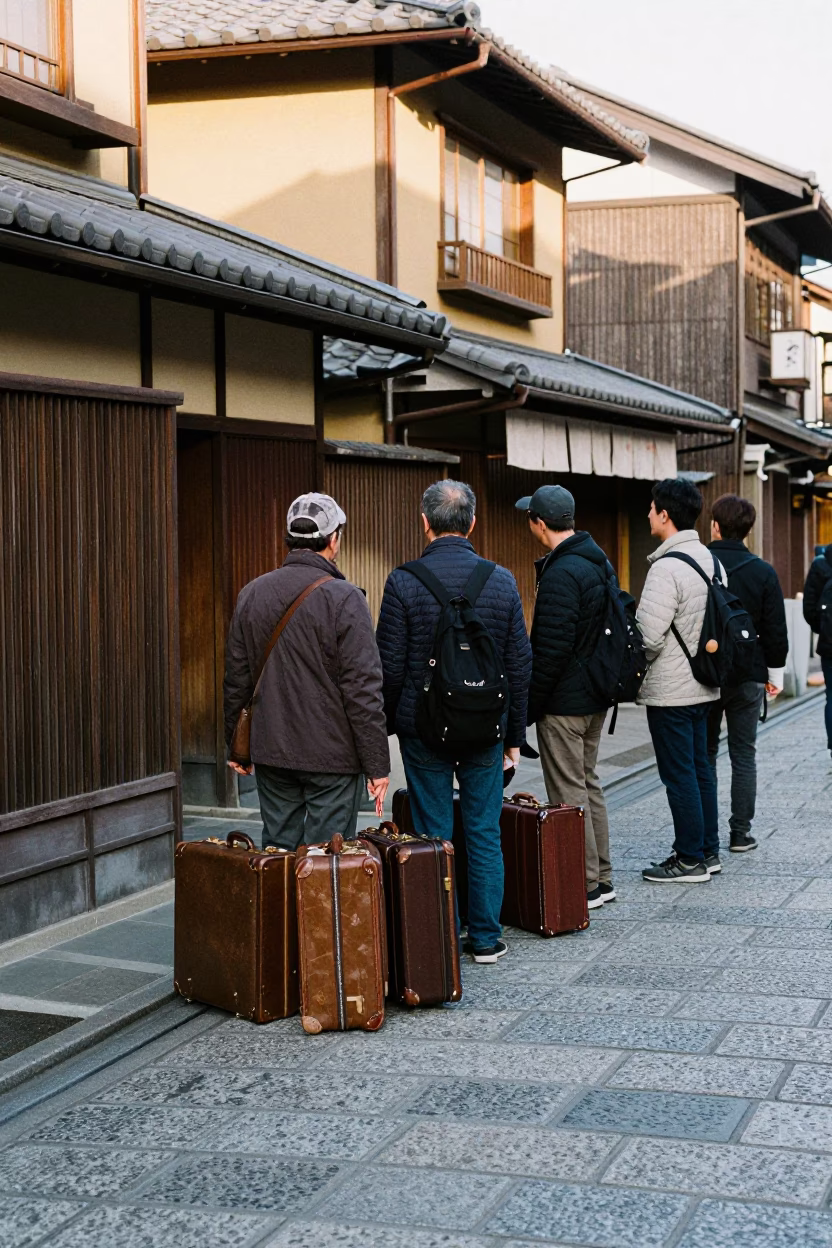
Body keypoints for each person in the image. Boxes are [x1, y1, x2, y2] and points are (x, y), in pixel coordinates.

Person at [376, 480, 532, 964]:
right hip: (485, 726)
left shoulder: (403, 581)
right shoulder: (501, 580)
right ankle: (485, 937)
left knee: (432, 832)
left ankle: (439, 935)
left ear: (424, 523)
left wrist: (386, 730)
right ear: (472, 523)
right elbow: (519, 663)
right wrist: (514, 736)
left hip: (424, 728)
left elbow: (391, 665)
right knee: (483, 830)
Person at [223, 492, 390, 850]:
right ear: (333, 540)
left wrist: (236, 745)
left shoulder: (252, 594)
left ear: (290, 539)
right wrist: (377, 764)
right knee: (327, 859)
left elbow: (237, 677)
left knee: (278, 848)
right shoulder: (345, 598)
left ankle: (281, 908)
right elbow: (363, 688)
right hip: (332, 755)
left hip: (271, 746)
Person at [515, 484, 616, 911]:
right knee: (589, 783)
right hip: (594, 695)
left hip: (565, 703)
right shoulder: (597, 561)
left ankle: (587, 880)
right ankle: (603, 875)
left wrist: (528, 709)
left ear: (540, 523)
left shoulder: (561, 572)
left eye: (530, 519)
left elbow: (550, 650)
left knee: (568, 789)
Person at [637, 478, 723, 883]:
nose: (648, 514)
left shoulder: (666, 567)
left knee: (679, 773)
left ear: (666, 514)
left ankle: (688, 859)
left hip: (672, 689)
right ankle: (708, 849)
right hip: (706, 682)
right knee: (700, 767)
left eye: (652, 508)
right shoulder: (710, 560)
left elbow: (649, 636)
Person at [707, 495, 787, 852]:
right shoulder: (763, 571)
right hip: (750, 674)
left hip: (705, 675)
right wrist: (776, 673)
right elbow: (775, 631)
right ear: (749, 530)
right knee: (743, 754)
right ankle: (740, 833)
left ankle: (705, 836)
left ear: (714, 526)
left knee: (704, 754)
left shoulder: (699, 564)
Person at [803, 542, 832, 761]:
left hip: (829, 644)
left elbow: (809, 607)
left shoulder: (821, 564)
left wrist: (822, 629)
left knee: (831, 697)